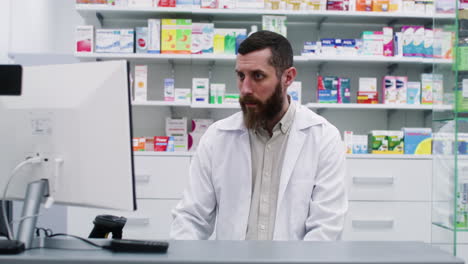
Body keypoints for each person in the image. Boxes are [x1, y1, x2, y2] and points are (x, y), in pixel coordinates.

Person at [170, 30, 347, 241]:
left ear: (288, 77)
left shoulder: (323, 138)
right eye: (240, 76)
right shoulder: (217, 138)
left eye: (258, 76)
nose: (245, 89)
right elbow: (191, 219)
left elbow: (325, 228)